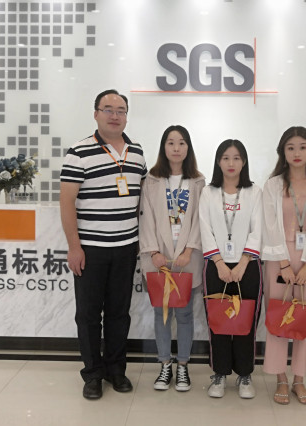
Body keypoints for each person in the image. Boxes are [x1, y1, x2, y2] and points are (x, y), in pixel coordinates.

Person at [59, 89, 147, 400]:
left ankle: (116, 370)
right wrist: (74, 247)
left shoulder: (137, 153)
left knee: (119, 313)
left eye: (120, 110)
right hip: (91, 249)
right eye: (108, 109)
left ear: (126, 116)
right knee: (88, 315)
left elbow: (141, 201)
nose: (114, 115)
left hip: (126, 247)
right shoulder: (79, 152)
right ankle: (92, 374)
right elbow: (66, 202)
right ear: (96, 113)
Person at [261, 126, 306, 405]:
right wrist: (283, 263)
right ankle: (280, 378)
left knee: (304, 318)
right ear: (283, 152)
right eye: (290, 147)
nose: (297, 153)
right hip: (278, 259)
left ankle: (299, 380)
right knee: (279, 317)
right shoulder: (273, 185)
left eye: (303, 147)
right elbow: (269, 225)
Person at [139, 125, 205, 392]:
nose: (176, 148)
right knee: (162, 314)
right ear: (163, 147)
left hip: (187, 258)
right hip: (158, 259)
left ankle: (183, 366)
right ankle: (165, 364)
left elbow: (201, 219)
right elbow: (145, 218)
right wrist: (153, 251)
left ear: (188, 147)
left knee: (185, 314)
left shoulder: (198, 181)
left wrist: (189, 249)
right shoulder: (152, 180)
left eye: (181, 143)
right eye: (170, 142)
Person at [199, 139, 263, 399]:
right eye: (226, 158)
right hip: (216, 265)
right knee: (219, 322)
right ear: (218, 161)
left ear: (244, 162)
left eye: (236, 158)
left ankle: (245, 374)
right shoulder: (208, 192)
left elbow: (258, 229)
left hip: (248, 266)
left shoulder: (254, 192)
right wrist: (219, 263)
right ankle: (220, 373)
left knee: (246, 323)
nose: (231, 163)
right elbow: (205, 228)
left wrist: (243, 263)